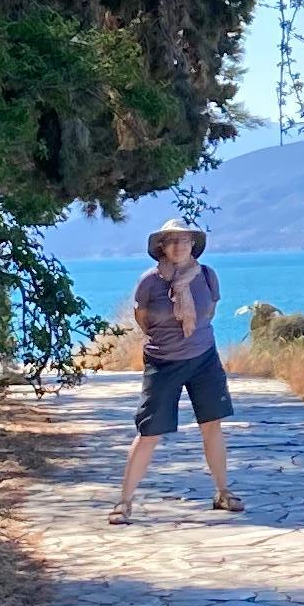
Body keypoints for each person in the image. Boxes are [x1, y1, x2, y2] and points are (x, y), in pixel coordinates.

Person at [112, 221, 242, 524]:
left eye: (184, 241)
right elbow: (142, 318)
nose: (179, 246)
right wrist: (167, 340)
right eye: (171, 241)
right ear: (161, 248)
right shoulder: (149, 281)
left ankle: (223, 492)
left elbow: (208, 313)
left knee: (212, 425)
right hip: (163, 362)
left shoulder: (207, 276)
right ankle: (124, 501)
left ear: (192, 245)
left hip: (204, 359)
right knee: (149, 432)